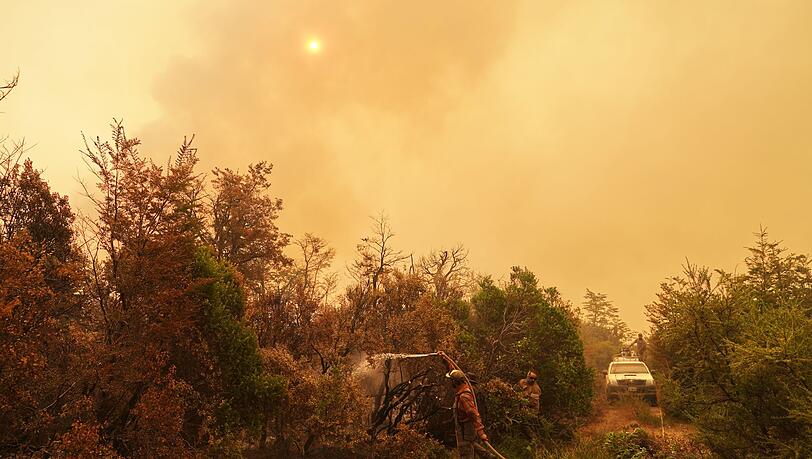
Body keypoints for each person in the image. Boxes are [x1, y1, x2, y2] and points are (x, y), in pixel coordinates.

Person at [446, 368, 490, 458]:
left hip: (466, 431)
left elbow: (473, 414)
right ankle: (488, 456)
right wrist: (445, 359)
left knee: (466, 454)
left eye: (451, 381)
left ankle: (487, 456)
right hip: (463, 432)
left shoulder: (464, 396)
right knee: (471, 449)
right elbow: (455, 372)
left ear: (455, 382)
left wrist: (481, 432)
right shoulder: (462, 391)